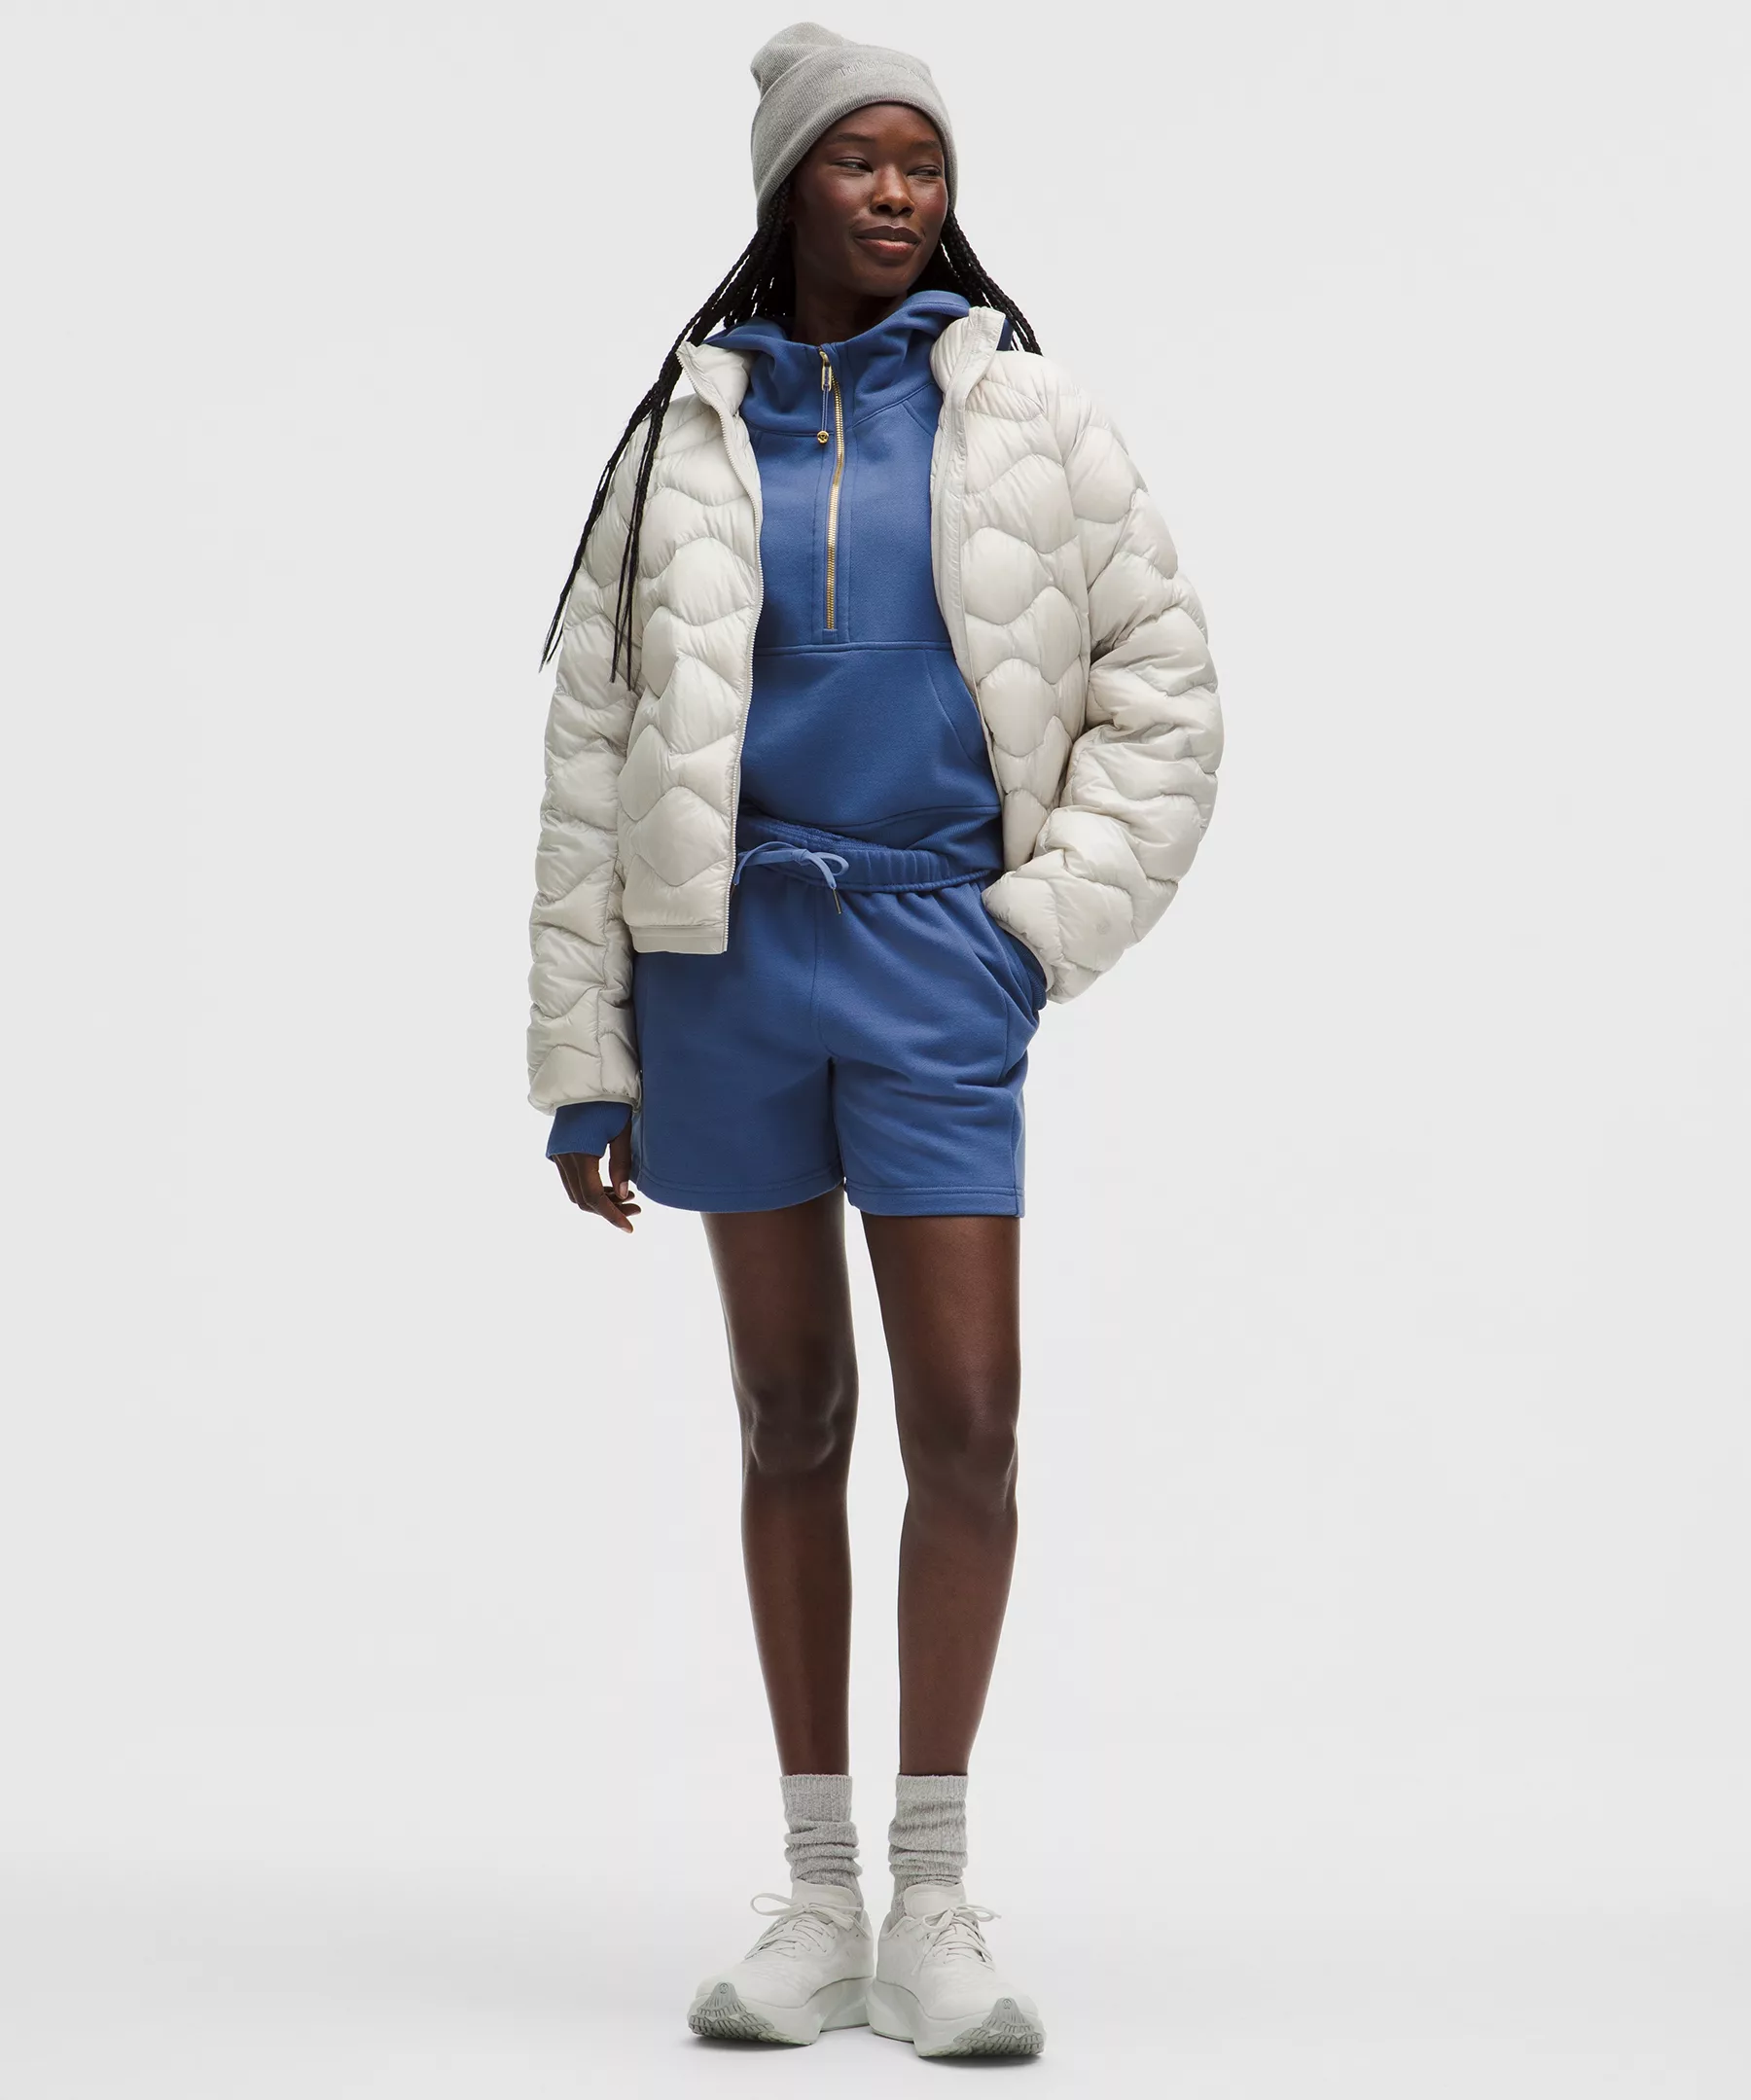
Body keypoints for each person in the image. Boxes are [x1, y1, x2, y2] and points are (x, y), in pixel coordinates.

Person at [525, 20, 1222, 2060]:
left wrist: (1030, 935)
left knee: (971, 1422)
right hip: (724, 966)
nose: (901, 192)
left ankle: (934, 1897)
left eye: (925, 163)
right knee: (790, 1416)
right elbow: (590, 747)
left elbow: (1166, 692)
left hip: (936, 962)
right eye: (862, 161)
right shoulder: (681, 435)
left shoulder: (1033, 413)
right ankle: (817, 1896)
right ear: (790, 186)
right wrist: (587, 1054)